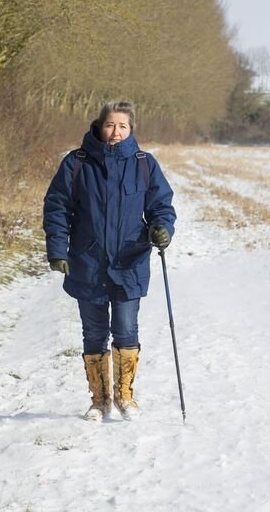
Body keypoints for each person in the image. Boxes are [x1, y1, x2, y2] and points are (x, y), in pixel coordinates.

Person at [42, 101, 176, 421]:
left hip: (130, 263)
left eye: (122, 127)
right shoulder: (77, 163)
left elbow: (161, 207)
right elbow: (57, 208)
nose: (115, 133)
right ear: (99, 126)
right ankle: (100, 401)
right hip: (87, 263)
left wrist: (162, 229)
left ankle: (125, 397)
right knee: (94, 333)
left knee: (127, 330)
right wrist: (58, 250)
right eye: (110, 126)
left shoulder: (144, 164)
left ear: (131, 129)